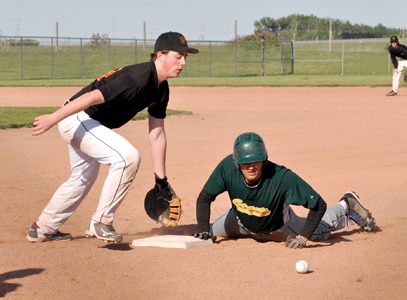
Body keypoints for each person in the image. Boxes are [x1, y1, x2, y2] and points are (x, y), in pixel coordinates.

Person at [26, 31, 199, 243]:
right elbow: (91, 97)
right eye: (178, 55)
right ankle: (102, 221)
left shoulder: (161, 89)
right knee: (127, 157)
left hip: (90, 125)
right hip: (77, 117)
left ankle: (42, 228)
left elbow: (157, 133)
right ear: (160, 55)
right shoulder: (137, 78)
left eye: (185, 57)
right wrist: (54, 118)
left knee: (82, 179)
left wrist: (161, 180)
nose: (183, 62)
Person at [193, 132, 376, 248]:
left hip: (279, 228)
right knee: (208, 233)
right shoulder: (227, 167)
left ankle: (346, 205)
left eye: (255, 161)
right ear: (236, 163)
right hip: (238, 222)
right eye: (245, 163)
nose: (251, 167)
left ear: (264, 160)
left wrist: (303, 238)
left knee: (318, 232)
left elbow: (318, 204)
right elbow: (204, 197)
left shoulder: (281, 178)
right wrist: (203, 229)